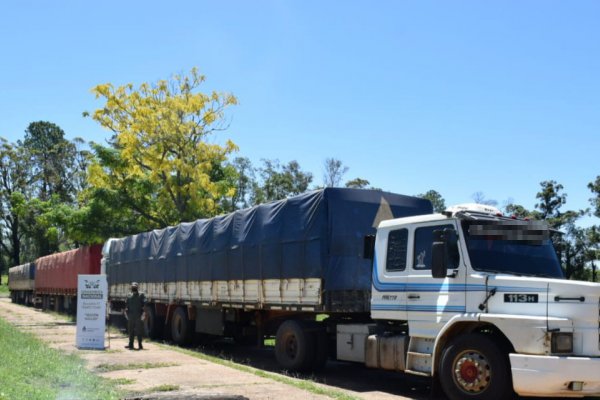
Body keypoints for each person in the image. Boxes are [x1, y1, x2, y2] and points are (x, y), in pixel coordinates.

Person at [125, 282, 146, 350]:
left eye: (135, 286)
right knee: (130, 331)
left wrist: (144, 313)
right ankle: (131, 344)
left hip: (138, 316)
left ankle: (140, 344)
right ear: (131, 287)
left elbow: (145, 304)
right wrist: (126, 312)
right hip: (131, 316)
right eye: (133, 286)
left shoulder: (141, 295)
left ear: (137, 287)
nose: (134, 288)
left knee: (139, 331)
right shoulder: (129, 295)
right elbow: (126, 305)